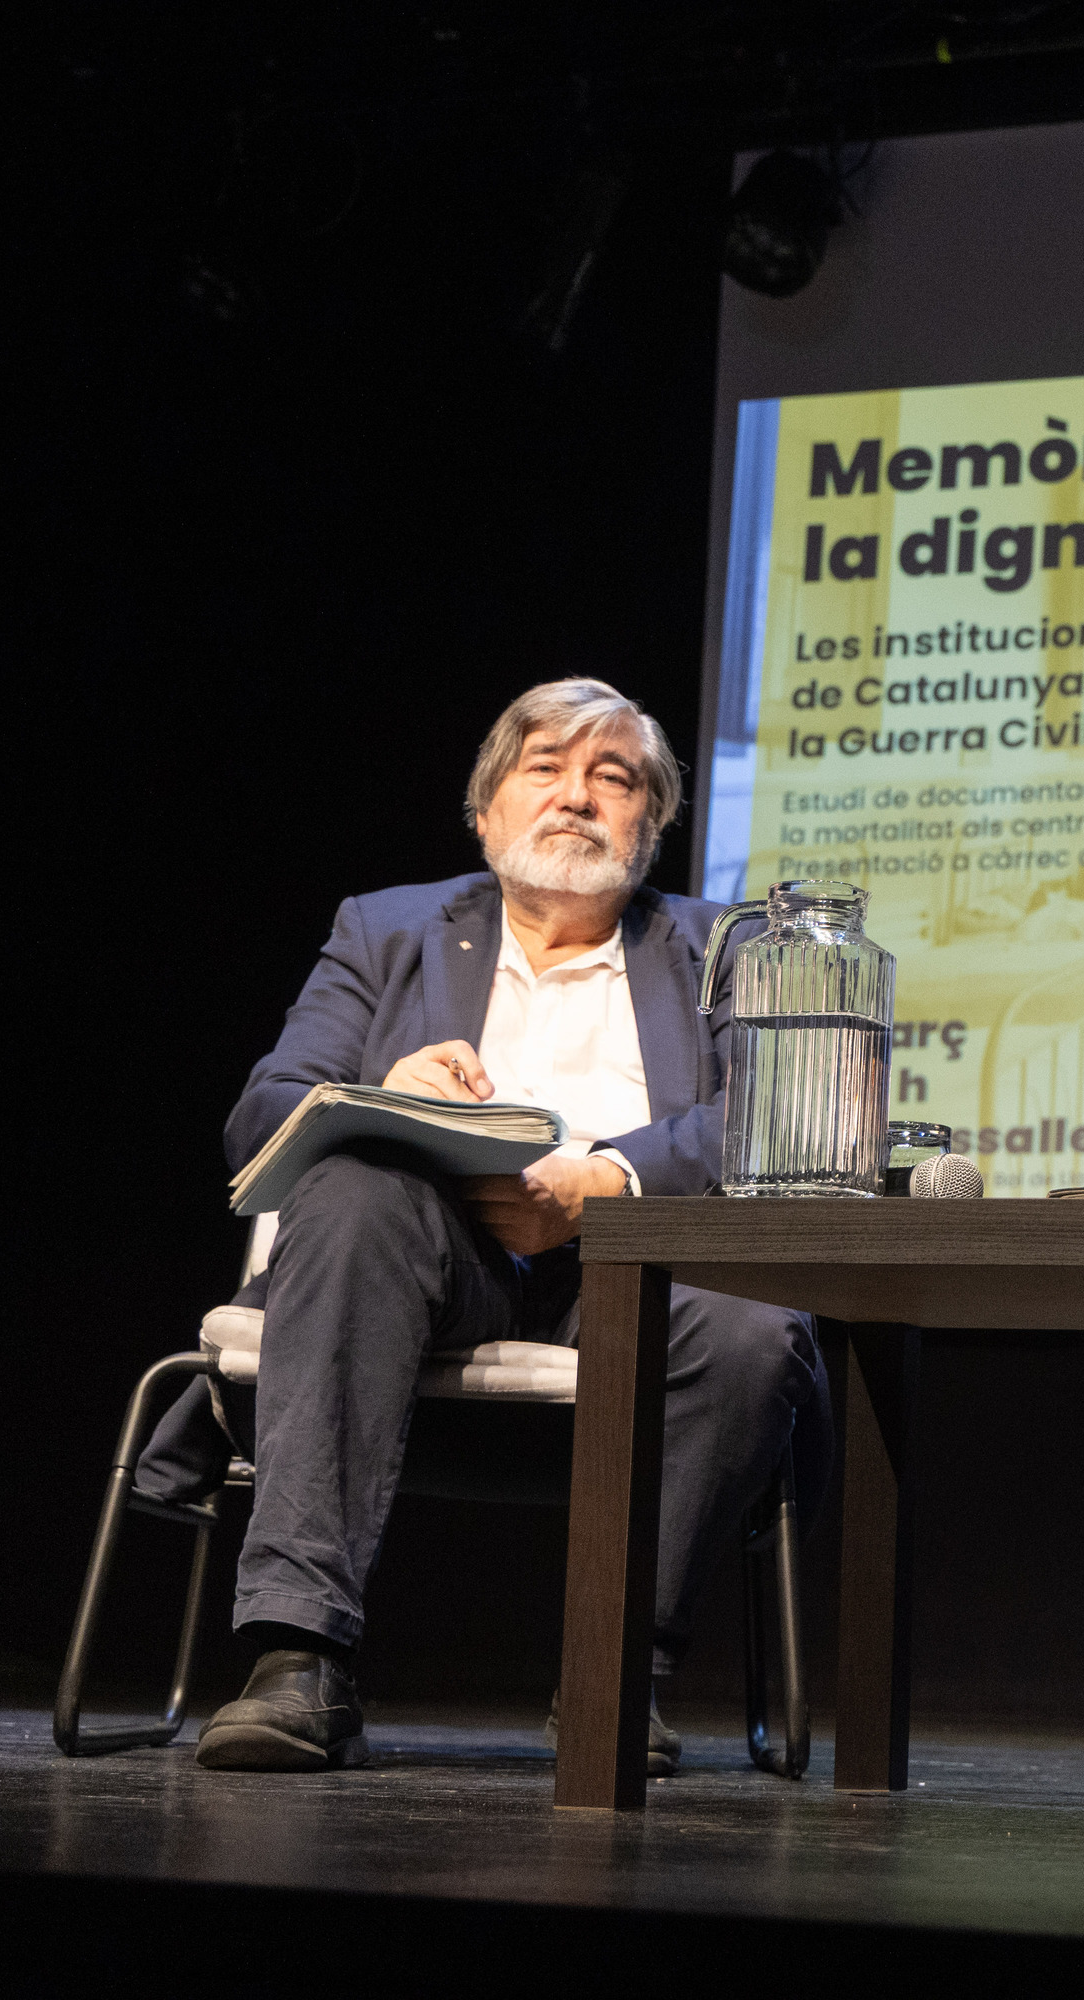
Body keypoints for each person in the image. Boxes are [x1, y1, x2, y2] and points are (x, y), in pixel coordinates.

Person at [148, 678, 830, 1774]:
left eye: (615, 779)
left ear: (648, 827)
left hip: (632, 1272)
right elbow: (262, 1116)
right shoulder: (388, 929)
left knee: (756, 1322)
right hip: (422, 1260)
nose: (578, 796)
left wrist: (602, 1181)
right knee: (357, 1189)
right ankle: (298, 1656)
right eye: (545, 767)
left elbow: (774, 1122)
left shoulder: (721, 947)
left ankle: (620, 1673)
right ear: (487, 810)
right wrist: (381, 1090)